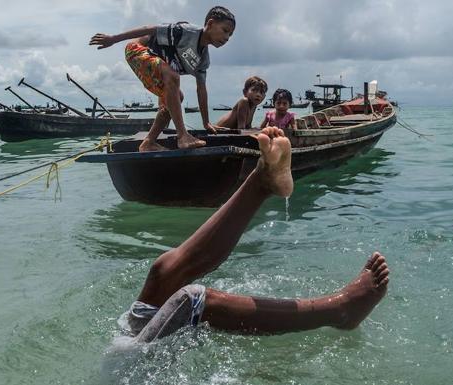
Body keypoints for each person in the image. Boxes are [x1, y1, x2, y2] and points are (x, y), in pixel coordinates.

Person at [125, 126, 390, 342]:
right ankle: (339, 311)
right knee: (191, 301)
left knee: (164, 271)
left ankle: (263, 181)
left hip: (125, 341)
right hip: (130, 368)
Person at [89, 6, 236, 152]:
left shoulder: (203, 59)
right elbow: (148, 29)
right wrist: (114, 39)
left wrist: (206, 122)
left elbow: (201, 89)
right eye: (225, 30)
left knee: (177, 97)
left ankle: (148, 142)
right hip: (136, 49)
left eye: (230, 35)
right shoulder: (187, 31)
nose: (227, 38)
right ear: (210, 24)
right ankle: (182, 136)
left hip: (156, 64)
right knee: (173, 76)